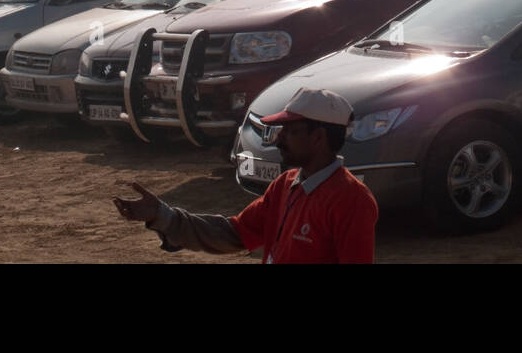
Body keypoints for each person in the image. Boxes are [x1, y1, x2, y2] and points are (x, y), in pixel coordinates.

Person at [113, 87, 378, 264]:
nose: (279, 139)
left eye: (290, 131)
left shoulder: (352, 200)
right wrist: (163, 216)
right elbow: (234, 233)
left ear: (318, 137)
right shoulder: (284, 186)